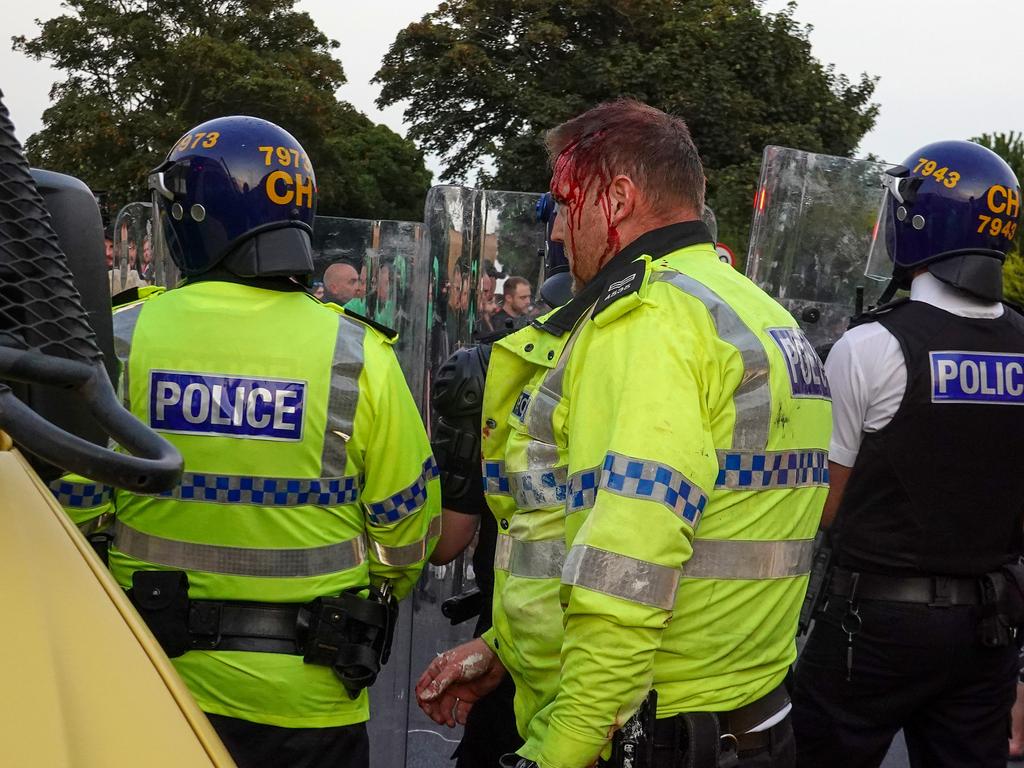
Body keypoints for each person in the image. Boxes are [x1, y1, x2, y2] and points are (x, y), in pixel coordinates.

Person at [417, 99, 831, 768]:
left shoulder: (646, 323)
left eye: (563, 201)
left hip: (649, 734)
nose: (556, 230)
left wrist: (563, 746)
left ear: (616, 197)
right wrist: (508, 651)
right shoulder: (754, 314)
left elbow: (626, 567)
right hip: (748, 719)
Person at [52, 115, 441, 768]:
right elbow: (408, 540)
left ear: (194, 217)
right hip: (314, 705)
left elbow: (72, 507)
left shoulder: (119, 340)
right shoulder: (358, 353)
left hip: (151, 687)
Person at [791, 141, 1024, 768]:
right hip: (990, 626)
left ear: (916, 220)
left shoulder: (871, 346)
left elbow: (824, 506)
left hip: (874, 623)